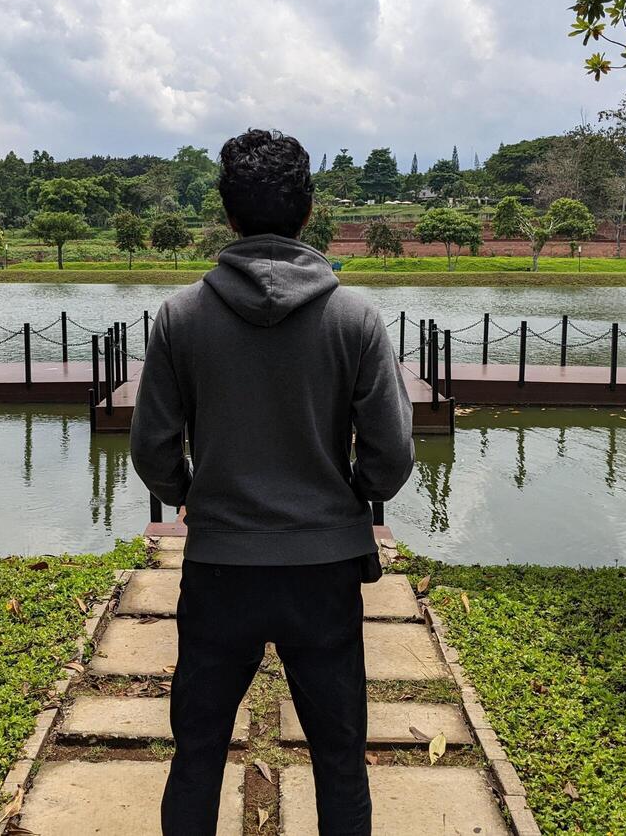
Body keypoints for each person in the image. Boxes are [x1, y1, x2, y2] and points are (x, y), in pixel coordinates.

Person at [130, 128, 415, 835]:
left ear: (226, 214)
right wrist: (348, 497)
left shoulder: (181, 317)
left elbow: (152, 452)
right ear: (308, 211)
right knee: (339, 758)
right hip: (322, 573)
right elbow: (391, 453)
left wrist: (194, 494)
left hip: (220, 567)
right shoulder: (353, 317)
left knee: (196, 753)